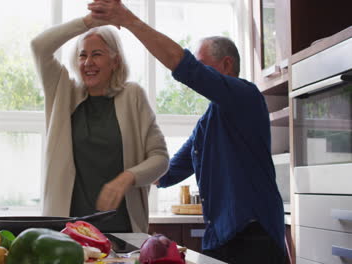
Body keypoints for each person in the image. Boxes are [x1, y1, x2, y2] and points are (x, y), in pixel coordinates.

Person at [88, 1, 286, 263]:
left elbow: (184, 67)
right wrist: (121, 171)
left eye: (204, 66)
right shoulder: (207, 123)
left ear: (227, 65)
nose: (197, 75)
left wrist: (128, 19)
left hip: (254, 238)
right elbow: (165, 172)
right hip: (221, 238)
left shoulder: (245, 96)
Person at [30, 13, 169, 233]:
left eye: (97, 54)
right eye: (82, 55)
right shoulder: (63, 91)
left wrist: (128, 178)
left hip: (123, 231)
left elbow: (160, 158)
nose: (88, 63)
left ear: (115, 61)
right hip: (67, 232)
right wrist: (89, 22)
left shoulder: (133, 95)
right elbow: (39, 46)